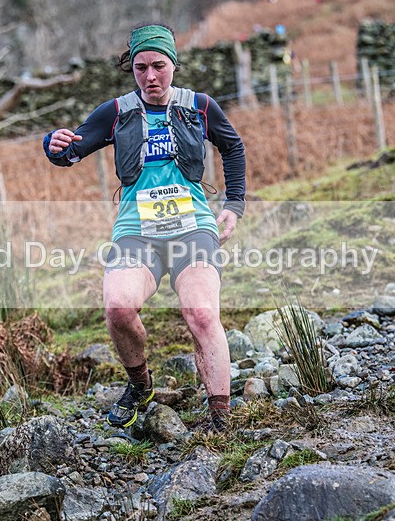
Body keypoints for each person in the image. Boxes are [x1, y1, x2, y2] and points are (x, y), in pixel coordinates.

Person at [43, 23, 246, 433]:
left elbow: (233, 147)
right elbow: (72, 151)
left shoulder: (200, 106)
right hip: (136, 231)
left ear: (173, 64)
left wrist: (235, 204)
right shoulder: (116, 112)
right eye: (140, 68)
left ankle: (220, 416)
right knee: (117, 307)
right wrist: (54, 145)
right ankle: (140, 385)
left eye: (158, 66)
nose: (150, 76)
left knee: (202, 315)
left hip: (193, 227)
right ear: (131, 69)